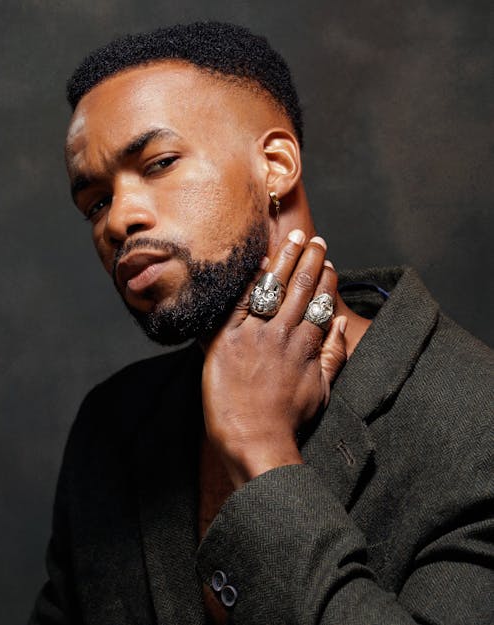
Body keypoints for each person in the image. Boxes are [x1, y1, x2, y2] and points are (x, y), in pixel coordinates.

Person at [29, 22, 493, 625]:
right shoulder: (110, 430)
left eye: (159, 163)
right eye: (94, 201)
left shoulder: (476, 419)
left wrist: (259, 446)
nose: (118, 219)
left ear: (275, 164)